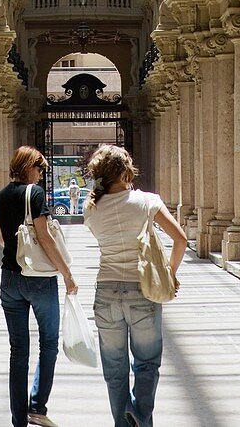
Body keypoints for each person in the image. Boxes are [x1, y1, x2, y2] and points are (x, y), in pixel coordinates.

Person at [83, 144, 186, 427]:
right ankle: (139, 415)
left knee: (114, 369)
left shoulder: (90, 209)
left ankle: (123, 423)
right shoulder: (147, 201)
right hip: (142, 290)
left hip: (105, 291)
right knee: (146, 363)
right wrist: (170, 274)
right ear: (126, 170)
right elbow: (180, 240)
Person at [0, 146, 78, 427]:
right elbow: (43, 236)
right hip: (39, 280)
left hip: (9, 279)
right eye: (40, 168)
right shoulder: (35, 193)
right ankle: (37, 406)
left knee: (18, 350)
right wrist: (66, 272)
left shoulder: (0, 196)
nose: (41, 174)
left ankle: (18, 420)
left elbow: (3, 241)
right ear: (28, 166)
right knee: (49, 343)